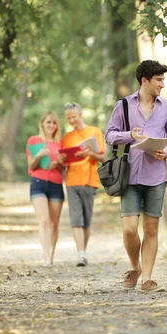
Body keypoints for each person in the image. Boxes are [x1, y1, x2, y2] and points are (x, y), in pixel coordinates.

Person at [105, 60, 167, 292]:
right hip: (130, 176)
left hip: (156, 176)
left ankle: (147, 278)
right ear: (145, 80)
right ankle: (135, 267)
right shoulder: (124, 106)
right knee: (128, 229)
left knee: (151, 229)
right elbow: (110, 136)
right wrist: (129, 135)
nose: (162, 85)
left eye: (163, 80)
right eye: (159, 80)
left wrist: (165, 151)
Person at [59, 102, 106, 267]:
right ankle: (81, 253)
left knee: (86, 220)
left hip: (89, 180)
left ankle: (83, 252)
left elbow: (103, 157)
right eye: (68, 118)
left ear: (80, 115)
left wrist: (90, 153)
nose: (71, 120)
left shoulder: (94, 132)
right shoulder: (66, 138)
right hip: (71, 181)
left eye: (73, 117)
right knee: (75, 219)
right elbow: (63, 164)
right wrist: (61, 161)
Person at [25, 111, 66, 267]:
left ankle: (52, 254)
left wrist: (59, 163)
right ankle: (46, 257)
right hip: (38, 183)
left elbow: (64, 168)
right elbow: (31, 165)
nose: (51, 125)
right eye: (48, 122)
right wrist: (39, 156)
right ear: (42, 123)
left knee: (54, 224)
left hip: (56, 184)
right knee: (44, 222)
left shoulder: (60, 143)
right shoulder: (34, 140)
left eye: (54, 123)